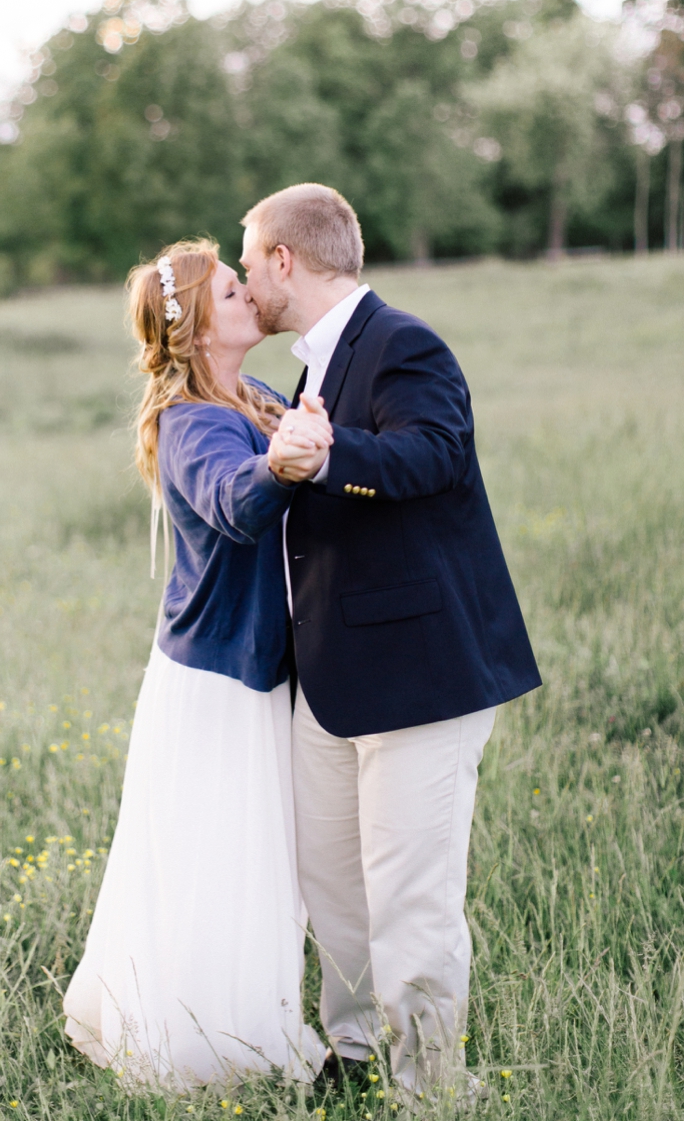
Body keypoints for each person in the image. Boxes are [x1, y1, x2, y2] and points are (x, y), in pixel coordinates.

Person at [241, 183, 540, 1101]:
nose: (244, 281)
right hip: (333, 675)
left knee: (411, 896)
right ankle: (358, 1053)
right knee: (334, 890)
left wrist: (330, 458)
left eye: (248, 262)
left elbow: (437, 454)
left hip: (420, 676)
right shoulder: (312, 364)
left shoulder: (402, 341)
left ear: (285, 259)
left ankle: (432, 1087)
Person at [62, 238, 332, 1089]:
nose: (248, 290)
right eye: (229, 287)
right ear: (198, 325)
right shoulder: (191, 420)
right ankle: (207, 1048)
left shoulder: (248, 394)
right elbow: (235, 501)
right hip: (216, 679)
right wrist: (281, 467)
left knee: (251, 857)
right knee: (222, 860)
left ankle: (246, 1021)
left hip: (245, 667)